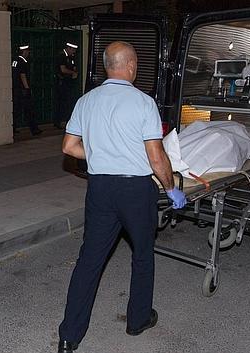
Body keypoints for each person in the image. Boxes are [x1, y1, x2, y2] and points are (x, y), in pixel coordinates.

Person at [57, 41, 187, 353]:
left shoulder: (86, 101)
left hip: (100, 188)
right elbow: (156, 158)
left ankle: (68, 336)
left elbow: (68, 147)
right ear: (130, 66)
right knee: (142, 254)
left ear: (107, 66)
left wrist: (102, 154)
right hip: (135, 190)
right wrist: (171, 188)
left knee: (89, 260)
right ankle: (137, 320)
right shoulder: (143, 103)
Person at [11, 44, 42, 136]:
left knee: (16, 110)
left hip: (15, 89)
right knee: (29, 110)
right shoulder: (22, 62)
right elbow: (22, 75)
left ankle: (13, 127)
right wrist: (27, 88)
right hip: (22, 90)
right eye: (28, 51)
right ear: (24, 52)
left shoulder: (15, 60)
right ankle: (34, 129)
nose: (28, 53)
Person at [54, 42, 79, 129]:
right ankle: (59, 121)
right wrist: (73, 72)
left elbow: (74, 66)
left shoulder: (71, 57)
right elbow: (63, 70)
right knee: (62, 102)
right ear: (69, 48)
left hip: (69, 83)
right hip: (62, 83)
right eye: (73, 50)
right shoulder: (61, 56)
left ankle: (66, 120)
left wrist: (74, 71)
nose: (74, 52)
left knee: (69, 102)